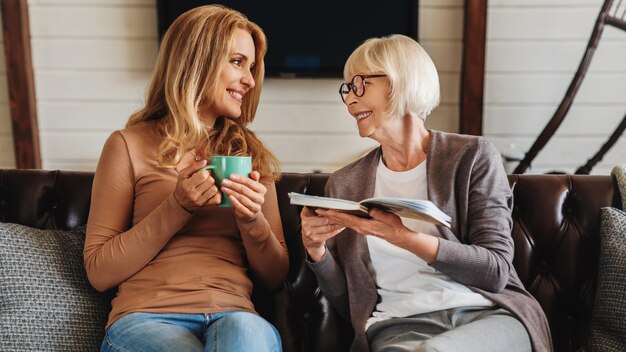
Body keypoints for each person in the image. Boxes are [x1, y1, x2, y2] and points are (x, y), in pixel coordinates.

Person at [300, 34, 552, 352]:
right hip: (397, 330)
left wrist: (404, 237)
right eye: (347, 89)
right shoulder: (345, 184)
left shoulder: (472, 157)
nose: (350, 99)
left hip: (487, 318)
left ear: (401, 82)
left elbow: (496, 270)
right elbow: (349, 302)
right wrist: (317, 251)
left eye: (361, 84)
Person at [84, 5, 288, 352]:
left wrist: (252, 220)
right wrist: (177, 206)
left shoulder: (247, 155)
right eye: (238, 62)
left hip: (235, 312)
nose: (251, 80)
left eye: (252, 68)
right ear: (198, 61)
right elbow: (99, 271)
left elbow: (274, 276)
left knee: (246, 336)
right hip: (145, 317)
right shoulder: (127, 145)